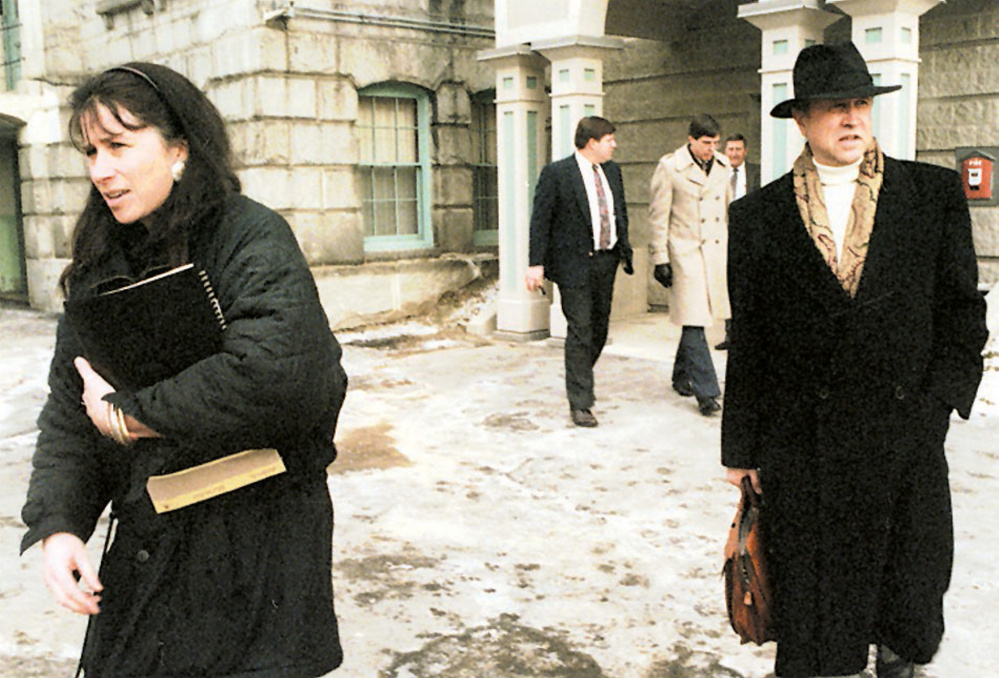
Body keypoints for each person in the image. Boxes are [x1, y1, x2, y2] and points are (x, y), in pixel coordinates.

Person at [20, 63, 347, 677]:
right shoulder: (99, 260)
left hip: (258, 543)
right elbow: (72, 403)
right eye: (91, 152)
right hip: (149, 543)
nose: (100, 171)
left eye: (118, 145)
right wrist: (60, 525)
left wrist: (130, 416)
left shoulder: (249, 237)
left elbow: (281, 374)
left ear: (179, 149)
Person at [722, 42, 987, 678]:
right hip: (803, 444)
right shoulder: (756, 217)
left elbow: (962, 312)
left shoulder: (931, 194)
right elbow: (750, 339)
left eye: (861, 103)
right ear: (801, 119)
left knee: (907, 589)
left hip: (904, 433)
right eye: (833, 106)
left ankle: (900, 662)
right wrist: (741, 449)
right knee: (817, 604)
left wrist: (938, 405)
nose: (852, 118)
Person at [525, 116, 633, 428]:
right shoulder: (557, 173)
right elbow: (540, 220)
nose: (614, 145)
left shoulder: (612, 171)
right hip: (573, 264)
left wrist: (624, 248)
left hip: (606, 261)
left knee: (599, 330)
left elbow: (619, 211)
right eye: (609, 140)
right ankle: (581, 402)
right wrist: (535, 263)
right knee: (580, 330)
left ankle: (579, 375)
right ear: (592, 143)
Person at [648, 113, 730, 416]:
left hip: (715, 252)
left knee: (694, 317)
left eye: (715, 143)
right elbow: (658, 217)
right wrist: (660, 258)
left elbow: (728, 210)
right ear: (691, 139)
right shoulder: (670, 167)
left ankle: (681, 375)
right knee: (695, 320)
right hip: (685, 253)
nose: (711, 148)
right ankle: (707, 392)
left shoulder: (723, 166)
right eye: (706, 143)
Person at [714, 133, 761, 351]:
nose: (734, 153)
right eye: (730, 149)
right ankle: (730, 335)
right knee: (728, 285)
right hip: (724, 236)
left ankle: (749, 335)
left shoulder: (756, 172)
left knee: (749, 285)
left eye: (738, 149)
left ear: (745, 151)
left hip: (749, 237)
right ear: (725, 151)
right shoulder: (717, 174)